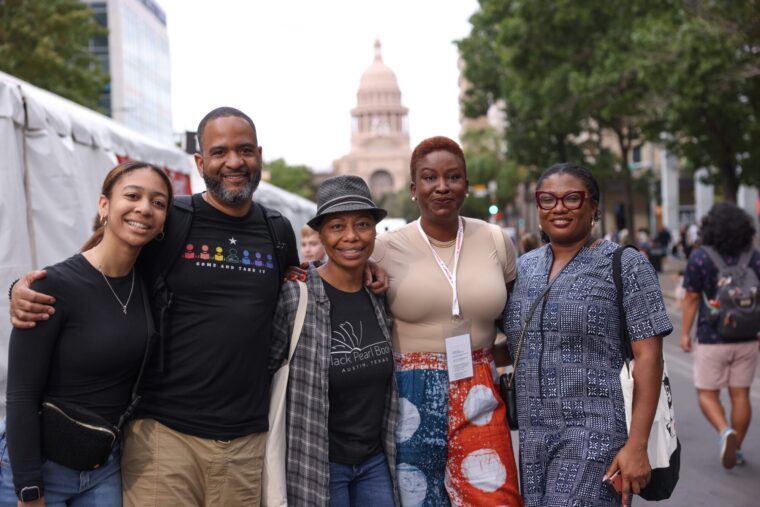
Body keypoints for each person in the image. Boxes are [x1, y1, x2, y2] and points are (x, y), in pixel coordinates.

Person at [8, 107, 301, 506]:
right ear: (200, 162)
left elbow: (299, 292)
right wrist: (22, 287)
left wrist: (369, 267)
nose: (234, 162)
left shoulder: (277, 231)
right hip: (164, 439)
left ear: (259, 155)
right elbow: (98, 265)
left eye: (245, 150)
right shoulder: (173, 219)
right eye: (219, 152)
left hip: (244, 442)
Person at [0, 161, 173, 506]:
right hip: (37, 468)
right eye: (133, 196)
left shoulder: (151, 283)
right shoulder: (53, 286)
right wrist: (29, 488)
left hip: (103, 467)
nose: (144, 208)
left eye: (158, 202)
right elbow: (20, 394)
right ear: (104, 205)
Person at [504, 163, 672, 507]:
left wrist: (637, 445)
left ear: (593, 207)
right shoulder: (522, 268)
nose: (559, 207)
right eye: (548, 199)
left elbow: (649, 356)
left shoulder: (626, 264)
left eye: (572, 198)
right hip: (533, 438)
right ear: (538, 208)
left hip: (596, 433)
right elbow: (511, 343)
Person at [371, 136, 523, 506]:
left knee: (495, 497)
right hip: (410, 395)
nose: (442, 187)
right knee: (418, 499)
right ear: (413, 189)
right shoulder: (384, 248)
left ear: (466, 186)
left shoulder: (495, 240)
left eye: (453, 177)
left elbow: (514, 317)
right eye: (429, 178)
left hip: (480, 391)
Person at [270, 175, 398, 506]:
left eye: (363, 224)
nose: (351, 236)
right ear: (322, 235)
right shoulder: (295, 296)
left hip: (373, 461)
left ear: (374, 232)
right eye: (337, 226)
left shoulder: (379, 296)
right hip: (319, 463)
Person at [680, 202, 760, 469]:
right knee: (741, 395)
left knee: (707, 393)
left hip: (712, 337)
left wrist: (685, 333)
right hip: (748, 337)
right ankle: (736, 450)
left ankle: (725, 431)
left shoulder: (701, 257)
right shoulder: (754, 256)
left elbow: (691, 298)